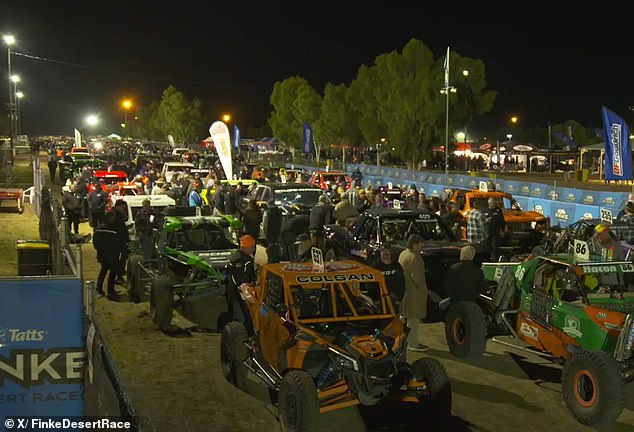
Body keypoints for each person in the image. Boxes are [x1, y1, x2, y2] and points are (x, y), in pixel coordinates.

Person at [398, 234, 429, 352]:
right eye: (420, 244)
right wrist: (424, 290)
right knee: (414, 319)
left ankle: (401, 340)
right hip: (414, 292)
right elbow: (418, 278)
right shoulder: (415, 257)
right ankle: (413, 342)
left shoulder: (403, 254)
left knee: (404, 316)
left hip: (404, 290)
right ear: (415, 244)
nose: (422, 246)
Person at [226, 235, 257, 322]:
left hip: (237, 293)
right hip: (239, 295)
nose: (253, 250)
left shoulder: (236, 257)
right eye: (252, 247)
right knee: (241, 317)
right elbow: (240, 279)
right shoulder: (243, 260)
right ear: (246, 247)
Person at [93, 211, 121, 300]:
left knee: (103, 271)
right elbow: (116, 242)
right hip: (111, 255)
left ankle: (100, 289)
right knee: (112, 272)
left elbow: (95, 243)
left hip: (102, 254)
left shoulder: (98, 229)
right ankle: (110, 290)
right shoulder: (113, 229)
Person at [135, 198, 159, 263]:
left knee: (149, 249)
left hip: (149, 234)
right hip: (142, 234)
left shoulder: (152, 213)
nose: (146, 207)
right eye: (145, 205)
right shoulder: (140, 213)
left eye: (148, 205)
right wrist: (138, 233)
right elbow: (137, 224)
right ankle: (143, 261)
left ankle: (148, 261)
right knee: (142, 249)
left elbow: (154, 222)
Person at [112, 200, 130, 284]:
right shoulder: (115, 216)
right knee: (119, 260)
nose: (124, 210)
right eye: (123, 208)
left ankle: (118, 275)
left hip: (119, 241)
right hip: (118, 242)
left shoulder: (116, 215)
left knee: (120, 259)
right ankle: (118, 276)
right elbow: (119, 229)